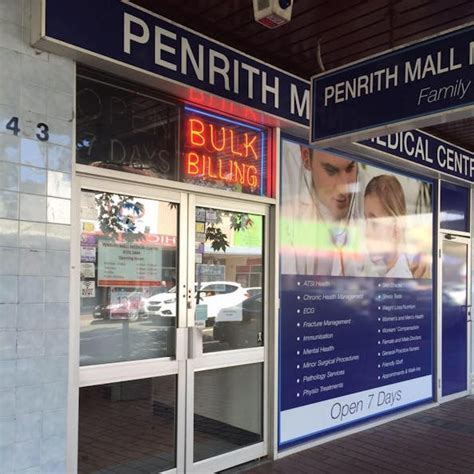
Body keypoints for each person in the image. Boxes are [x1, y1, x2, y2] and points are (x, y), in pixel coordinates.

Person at [280, 143, 365, 276]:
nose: (344, 186)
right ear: (306, 158)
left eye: (350, 168)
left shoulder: (366, 198)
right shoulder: (287, 219)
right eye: (331, 171)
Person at [363, 175, 413, 278]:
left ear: (396, 229)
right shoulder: (384, 274)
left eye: (374, 223)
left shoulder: (400, 279)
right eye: (366, 220)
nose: (366, 233)